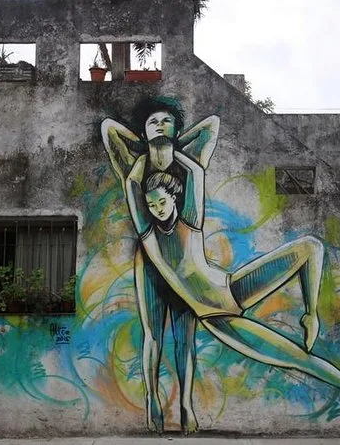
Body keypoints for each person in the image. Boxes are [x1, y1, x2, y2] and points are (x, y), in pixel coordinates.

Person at [124, 146, 340, 437]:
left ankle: (310, 315)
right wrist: (145, 156)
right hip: (217, 318)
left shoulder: (190, 221)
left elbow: (195, 172)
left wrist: (167, 148)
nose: (157, 209)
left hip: (232, 288)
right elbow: (131, 182)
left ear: (175, 197)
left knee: (309, 247)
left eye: (161, 202)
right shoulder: (148, 237)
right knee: (298, 358)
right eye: (151, 205)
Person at [101, 97, 219, 433]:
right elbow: (109, 129)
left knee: (185, 339)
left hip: (183, 265)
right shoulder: (135, 167)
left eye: (167, 121)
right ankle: (152, 397)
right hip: (151, 262)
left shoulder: (190, 164)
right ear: (143, 130)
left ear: (177, 129)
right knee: (153, 335)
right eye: (153, 122)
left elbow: (212, 125)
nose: (160, 125)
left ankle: (186, 405)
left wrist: (174, 144)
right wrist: (145, 147)